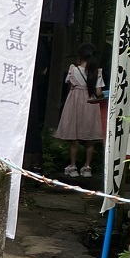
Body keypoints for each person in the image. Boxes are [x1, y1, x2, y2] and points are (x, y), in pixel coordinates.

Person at [55, 42, 105, 178]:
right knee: (90, 138)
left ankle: (73, 167)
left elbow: (69, 85)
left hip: (75, 103)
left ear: (80, 55)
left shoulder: (73, 69)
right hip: (91, 104)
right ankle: (87, 167)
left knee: (75, 137)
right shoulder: (97, 71)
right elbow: (98, 92)